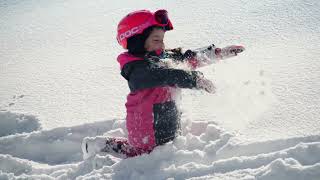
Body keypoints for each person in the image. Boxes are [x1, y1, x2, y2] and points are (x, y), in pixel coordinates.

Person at [82, 9, 244, 159]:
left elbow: (186, 59)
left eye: (162, 39)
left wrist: (217, 54)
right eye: (156, 39)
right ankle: (98, 145)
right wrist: (194, 80)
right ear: (137, 41)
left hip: (166, 120)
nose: (162, 44)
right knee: (142, 154)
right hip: (146, 128)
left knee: (164, 146)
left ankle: (102, 145)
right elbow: (167, 75)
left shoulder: (159, 57)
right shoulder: (137, 70)